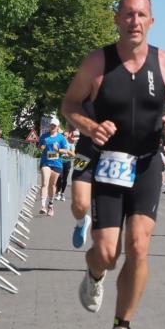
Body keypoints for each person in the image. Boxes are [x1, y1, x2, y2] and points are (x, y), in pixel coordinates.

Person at [61, 0, 165, 329]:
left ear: (151, 21)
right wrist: (91, 127)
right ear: (117, 19)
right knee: (107, 253)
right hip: (108, 163)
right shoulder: (97, 63)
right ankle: (94, 274)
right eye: (128, 14)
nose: (135, 21)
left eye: (141, 15)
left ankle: (122, 328)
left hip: (147, 163)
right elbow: (69, 104)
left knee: (138, 246)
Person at [68, 102, 98, 249]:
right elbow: (71, 106)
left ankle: (101, 249)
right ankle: (81, 222)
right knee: (79, 204)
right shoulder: (86, 91)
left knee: (103, 210)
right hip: (83, 154)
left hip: (111, 158)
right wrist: (71, 127)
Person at [37, 117, 72, 216]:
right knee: (45, 183)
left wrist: (58, 150)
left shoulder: (61, 138)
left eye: (54, 125)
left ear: (57, 127)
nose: (52, 127)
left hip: (57, 164)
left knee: (52, 185)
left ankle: (51, 205)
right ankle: (43, 206)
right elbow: (39, 146)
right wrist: (41, 147)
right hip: (46, 162)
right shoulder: (44, 136)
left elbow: (66, 151)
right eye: (51, 125)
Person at [55, 127, 78, 202]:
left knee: (65, 178)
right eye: (63, 135)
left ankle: (62, 193)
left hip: (67, 162)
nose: (64, 137)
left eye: (65, 135)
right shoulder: (59, 143)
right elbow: (55, 152)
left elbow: (73, 154)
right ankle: (58, 193)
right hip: (59, 162)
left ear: (68, 136)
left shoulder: (71, 144)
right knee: (60, 177)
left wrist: (67, 152)